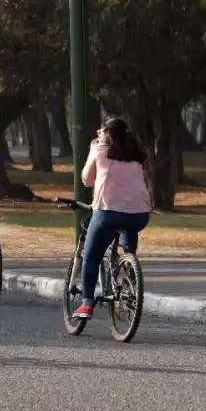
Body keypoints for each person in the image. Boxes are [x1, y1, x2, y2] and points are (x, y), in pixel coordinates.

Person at [73, 117, 152, 320]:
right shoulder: (136, 155)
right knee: (128, 226)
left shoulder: (100, 151)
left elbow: (86, 180)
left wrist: (95, 147)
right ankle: (129, 262)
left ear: (106, 133)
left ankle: (87, 303)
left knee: (91, 257)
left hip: (107, 213)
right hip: (140, 214)